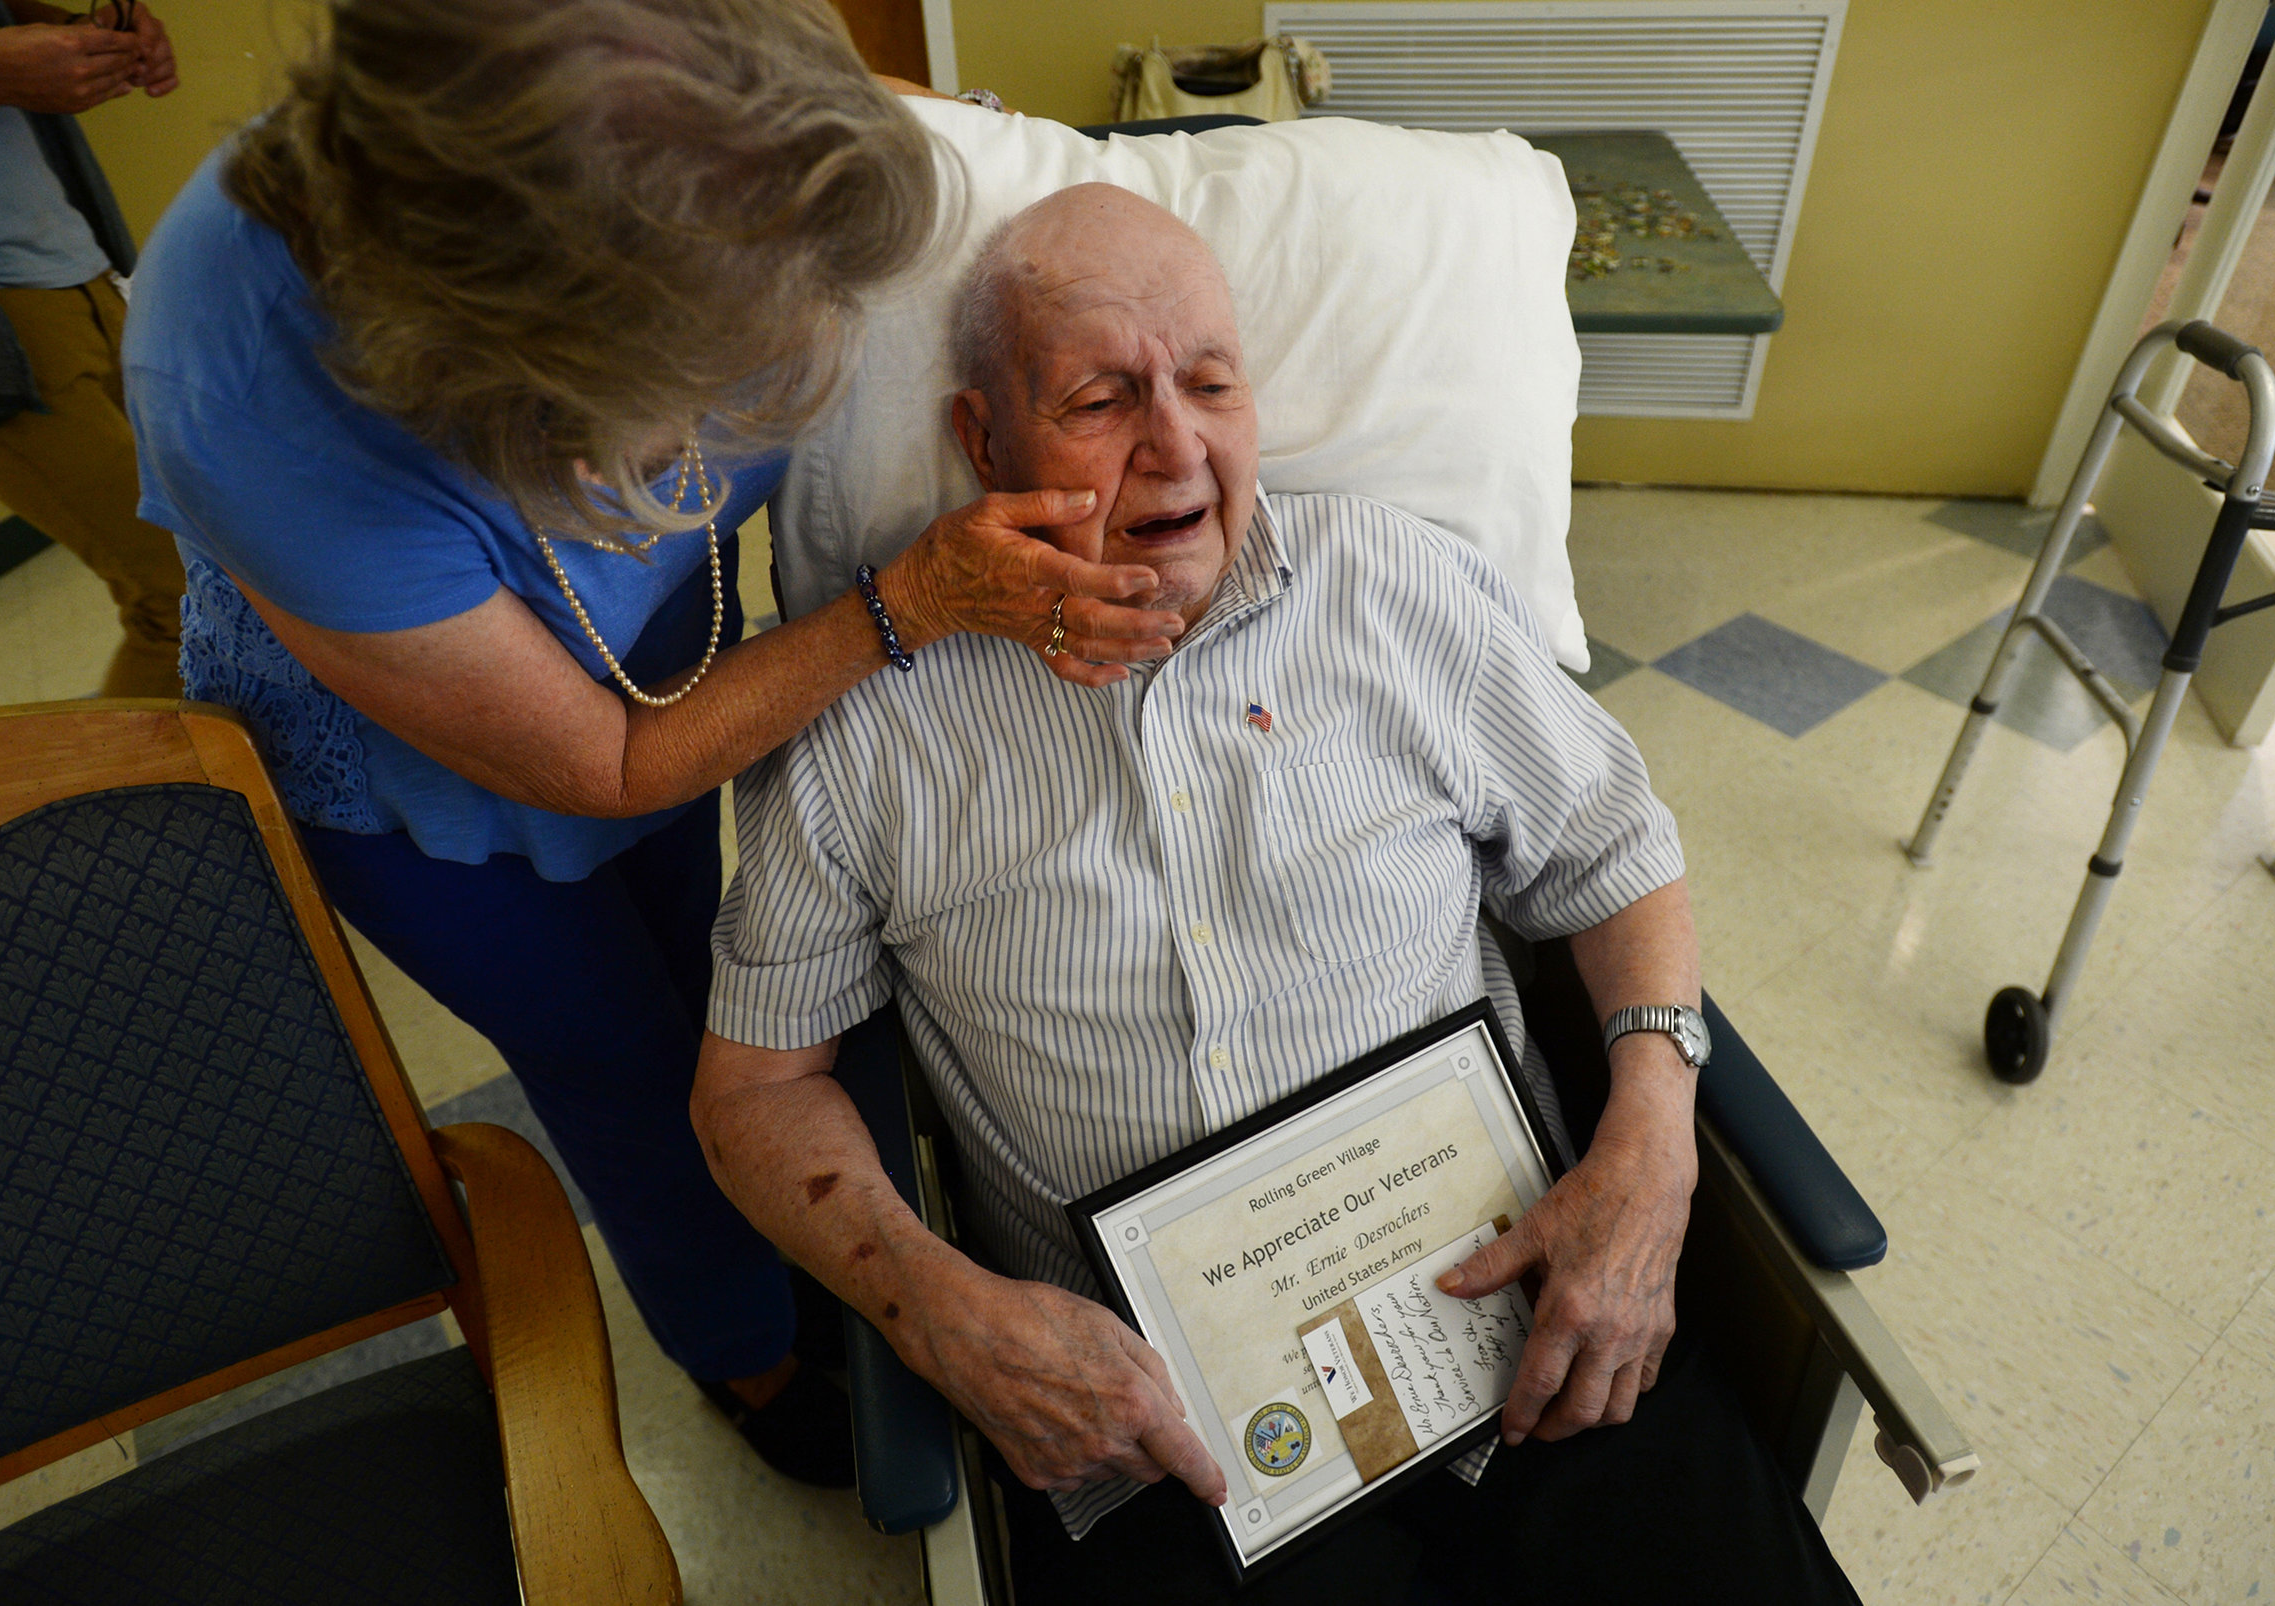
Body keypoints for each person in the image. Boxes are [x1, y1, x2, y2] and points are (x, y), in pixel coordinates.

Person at [693, 184, 1859, 1600]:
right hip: (1158, 1439)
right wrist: (939, 1309)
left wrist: (1654, 1141)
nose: (1176, 442)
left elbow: (1616, 855)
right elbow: (753, 1089)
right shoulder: (874, 724)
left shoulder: (1399, 591)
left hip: (1531, 1326)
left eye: (1210, 382)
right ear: (984, 440)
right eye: (1101, 395)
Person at [119, 2, 1184, 1488]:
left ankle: (782, 1224)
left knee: (721, 985)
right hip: (424, 784)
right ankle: (740, 1352)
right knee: (619, 1056)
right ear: (548, 387)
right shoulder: (244, 390)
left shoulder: (678, 75)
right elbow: (603, 762)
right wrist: (914, 600)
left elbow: (814, 125)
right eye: (740, 367)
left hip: (656, 645)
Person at [0, 0, 183, 697]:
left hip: (71, 271)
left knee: (222, 558)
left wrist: (81, 35)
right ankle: (135, 803)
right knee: (184, 591)